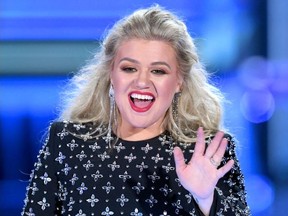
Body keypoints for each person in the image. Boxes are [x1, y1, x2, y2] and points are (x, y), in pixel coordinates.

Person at [22, 5, 251, 216]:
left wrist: (205, 199)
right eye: (129, 68)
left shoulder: (208, 153)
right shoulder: (66, 142)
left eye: (158, 71)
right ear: (111, 74)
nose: (142, 82)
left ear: (179, 80)